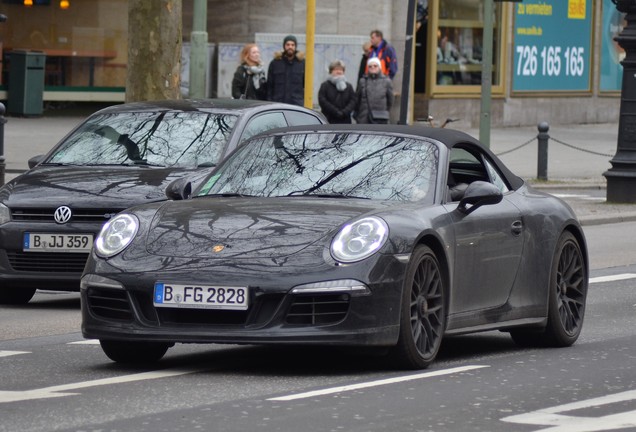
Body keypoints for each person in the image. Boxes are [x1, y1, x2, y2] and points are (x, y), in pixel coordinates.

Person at [267, 34, 305, 106]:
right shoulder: (275, 63)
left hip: (296, 103)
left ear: (295, 46)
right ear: (284, 46)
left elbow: (306, 85)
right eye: (287, 44)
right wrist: (269, 102)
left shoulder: (302, 63)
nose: (290, 47)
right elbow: (270, 85)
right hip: (278, 103)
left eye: (292, 45)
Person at [355, 57, 394, 124]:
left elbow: (390, 100)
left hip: (380, 118)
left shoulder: (386, 81)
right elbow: (357, 99)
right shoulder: (363, 81)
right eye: (370, 66)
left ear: (379, 67)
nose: (373, 67)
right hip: (364, 118)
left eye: (375, 66)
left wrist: (384, 111)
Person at [318, 60, 356, 124]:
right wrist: (335, 111)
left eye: (341, 69)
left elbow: (353, 101)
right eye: (336, 69)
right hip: (329, 119)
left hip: (345, 120)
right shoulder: (325, 85)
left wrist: (344, 112)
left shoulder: (349, 86)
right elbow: (322, 100)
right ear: (331, 71)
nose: (339, 71)